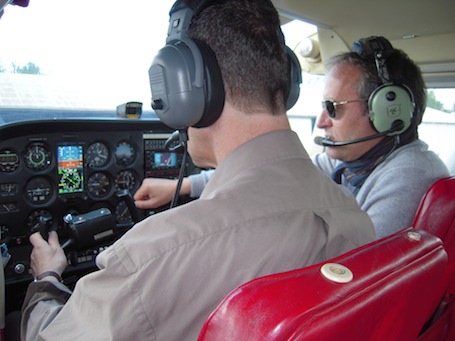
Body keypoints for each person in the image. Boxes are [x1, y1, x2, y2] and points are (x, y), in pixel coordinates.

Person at [21, 1, 375, 340]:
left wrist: (46, 277)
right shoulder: (356, 216)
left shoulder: (154, 257)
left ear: (185, 87)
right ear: (288, 82)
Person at [137, 36, 449, 239]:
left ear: (388, 111)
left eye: (333, 108)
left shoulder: (410, 173)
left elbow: (361, 270)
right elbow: (275, 173)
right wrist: (185, 186)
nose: (322, 122)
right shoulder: (352, 164)